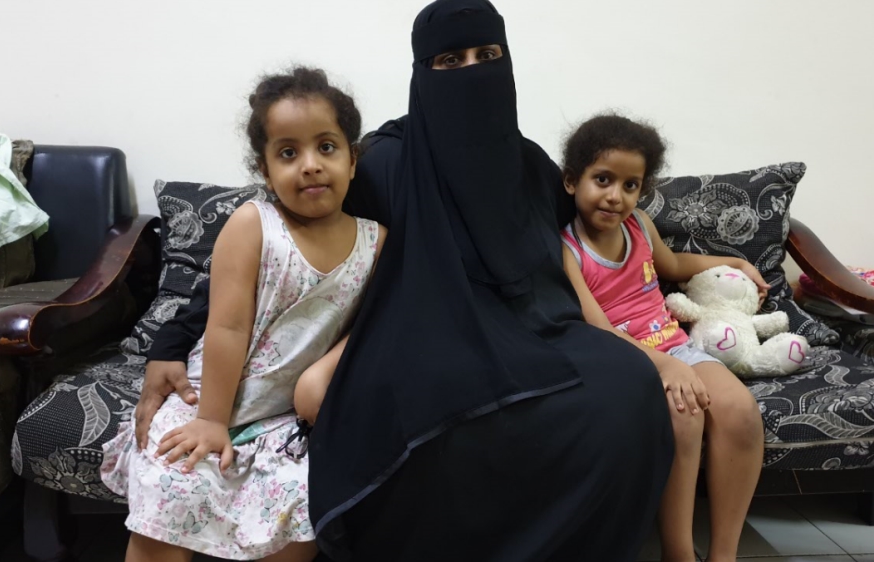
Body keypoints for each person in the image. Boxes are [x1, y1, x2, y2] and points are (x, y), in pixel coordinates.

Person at [136, 2, 674, 560]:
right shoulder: (383, 164)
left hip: (534, 325)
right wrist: (171, 343)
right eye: (450, 60)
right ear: (421, 71)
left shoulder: (531, 165)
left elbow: (604, 224)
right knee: (439, 410)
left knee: (627, 386)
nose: (472, 71)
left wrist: (689, 277)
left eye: (486, 56)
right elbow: (259, 254)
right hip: (418, 327)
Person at [101, 67, 387, 562]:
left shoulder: (376, 240)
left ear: (353, 158)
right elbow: (227, 325)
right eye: (288, 153)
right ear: (265, 167)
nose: (311, 165)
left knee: (302, 513)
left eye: (326, 147)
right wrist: (212, 419)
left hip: (284, 422)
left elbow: (371, 324)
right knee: (173, 485)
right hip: (212, 397)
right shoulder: (254, 224)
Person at [559, 112, 765, 562]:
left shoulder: (640, 227)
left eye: (630, 185)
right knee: (684, 413)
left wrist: (734, 263)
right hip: (624, 359)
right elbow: (596, 327)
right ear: (572, 181)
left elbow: (674, 266)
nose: (616, 196)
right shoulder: (566, 249)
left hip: (674, 346)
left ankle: (723, 555)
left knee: (741, 412)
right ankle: (678, 553)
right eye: (603, 179)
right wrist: (666, 367)